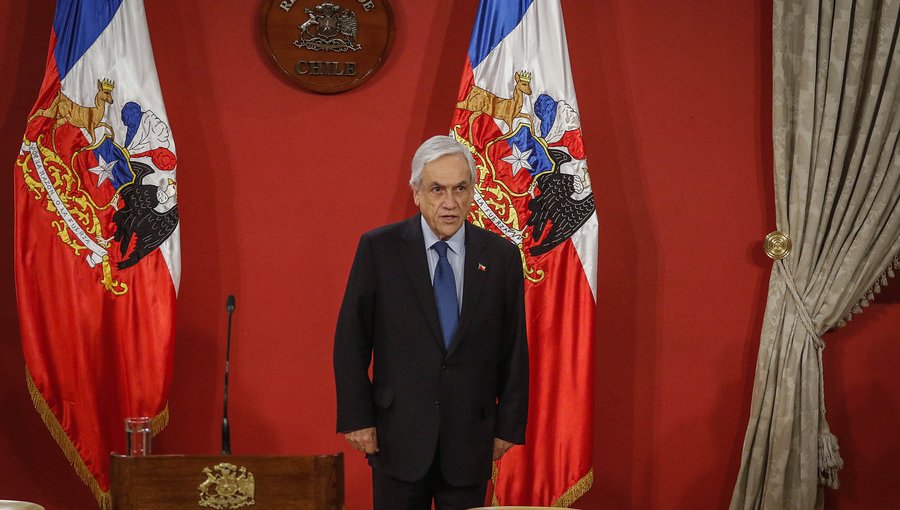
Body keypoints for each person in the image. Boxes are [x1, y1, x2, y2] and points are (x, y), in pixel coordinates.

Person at [333, 135, 529, 510]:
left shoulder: (501, 256)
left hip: (471, 437)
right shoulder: (380, 249)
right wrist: (357, 418)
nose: (450, 203)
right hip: (397, 435)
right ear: (417, 193)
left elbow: (514, 347)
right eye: (437, 189)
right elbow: (351, 340)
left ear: (473, 191)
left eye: (460, 188)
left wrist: (508, 426)